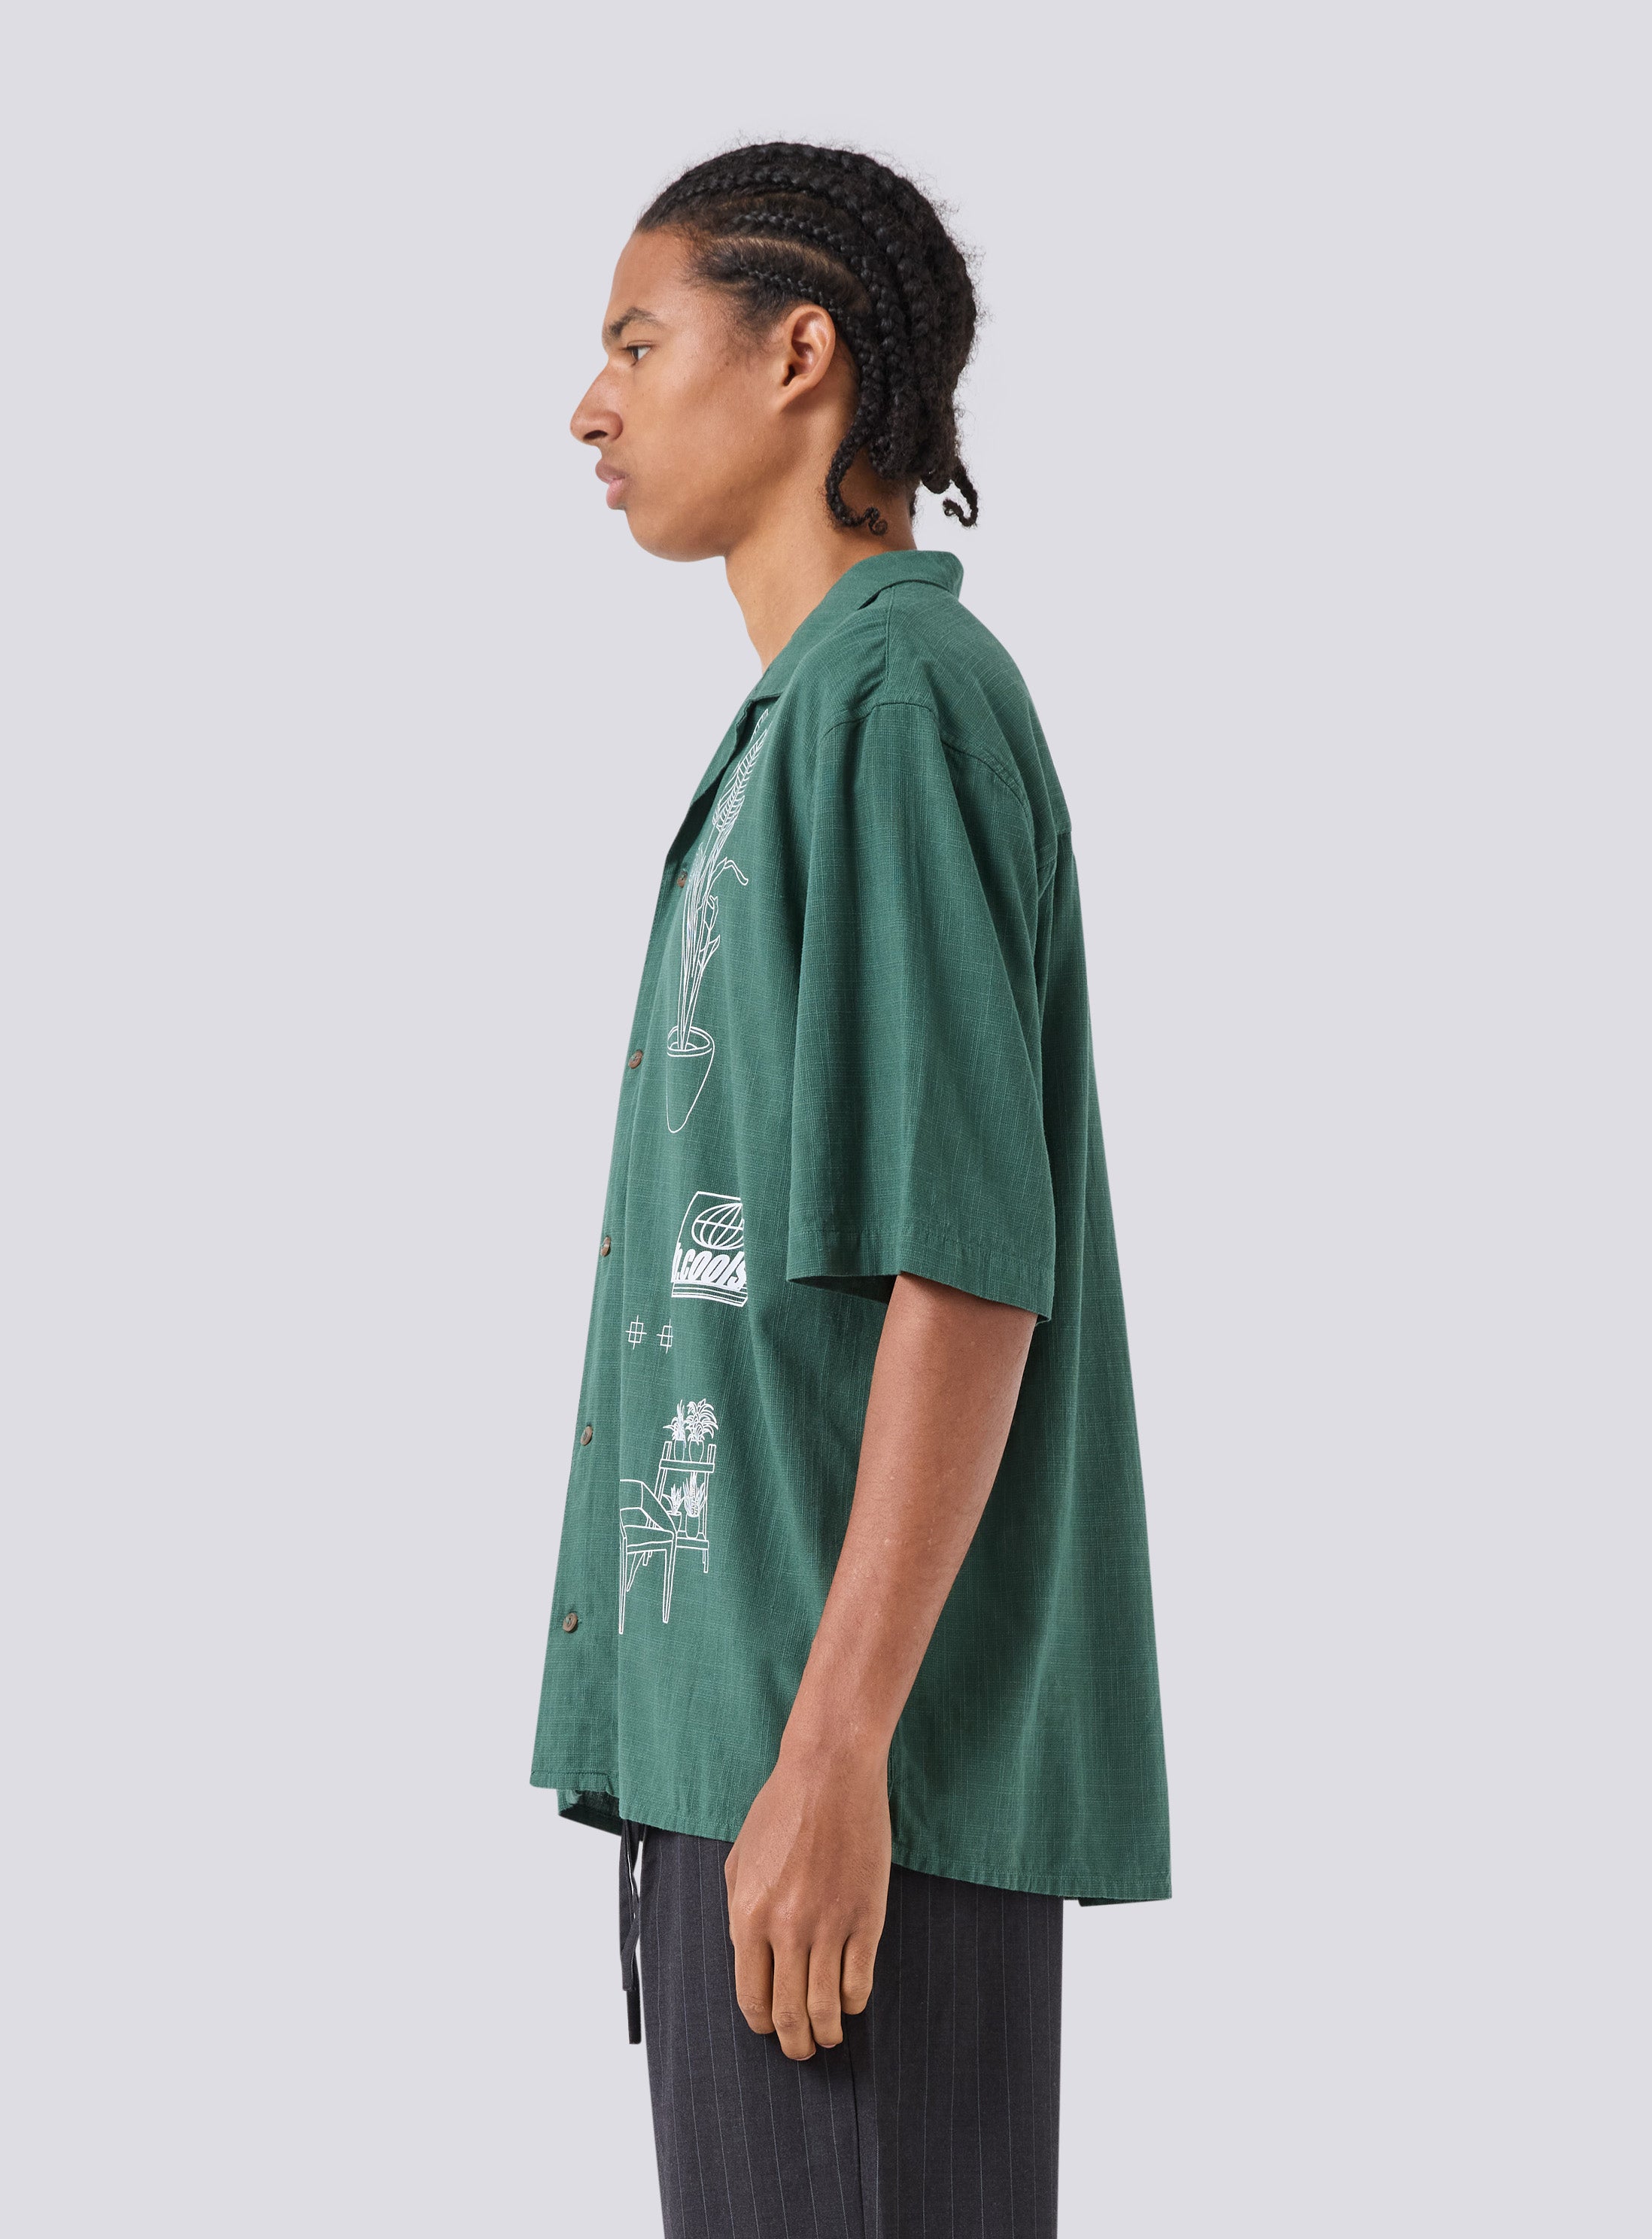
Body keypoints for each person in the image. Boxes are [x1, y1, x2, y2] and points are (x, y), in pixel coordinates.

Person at [532, 142, 1170, 2238]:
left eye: (638, 344)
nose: (591, 407)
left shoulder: (893, 705)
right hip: (757, 1759)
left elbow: (963, 1267)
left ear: (798, 355)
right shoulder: (810, 716)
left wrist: (830, 1755)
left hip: (843, 1781)